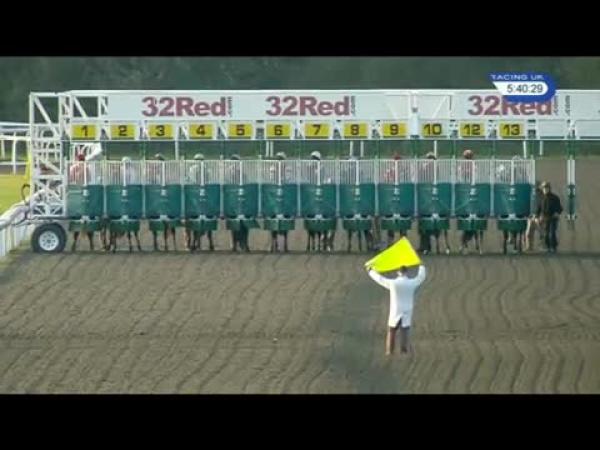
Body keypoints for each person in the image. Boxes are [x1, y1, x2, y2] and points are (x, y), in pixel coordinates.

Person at [366, 264, 427, 356]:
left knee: (391, 330)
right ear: (406, 272)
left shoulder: (393, 283)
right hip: (407, 308)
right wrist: (421, 266)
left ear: (398, 272)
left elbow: (380, 279)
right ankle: (404, 350)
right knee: (404, 330)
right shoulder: (412, 283)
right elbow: (421, 277)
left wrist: (370, 271)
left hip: (396, 309)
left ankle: (389, 351)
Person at [536, 181, 563, 253]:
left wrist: (557, 213)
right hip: (545, 218)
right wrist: (537, 217)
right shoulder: (541, 198)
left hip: (553, 218)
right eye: (544, 188)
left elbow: (560, 208)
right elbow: (538, 208)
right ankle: (548, 247)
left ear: (549, 188)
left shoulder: (555, 197)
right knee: (546, 233)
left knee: (552, 232)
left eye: (546, 188)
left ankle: (554, 247)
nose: (545, 189)